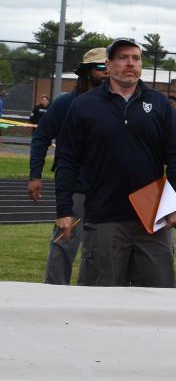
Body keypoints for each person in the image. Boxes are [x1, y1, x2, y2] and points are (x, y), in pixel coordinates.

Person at [54, 38, 176, 287]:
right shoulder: (84, 105)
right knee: (100, 301)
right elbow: (67, 160)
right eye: (123, 58)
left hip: (152, 220)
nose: (130, 63)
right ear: (108, 65)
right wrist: (64, 210)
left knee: (158, 299)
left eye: (136, 58)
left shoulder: (160, 105)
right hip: (104, 217)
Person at [27, 48, 108, 284]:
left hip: (108, 190)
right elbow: (41, 137)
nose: (106, 72)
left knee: (100, 250)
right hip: (76, 188)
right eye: (100, 67)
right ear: (86, 71)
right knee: (64, 243)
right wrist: (35, 176)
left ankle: (89, 299)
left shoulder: (115, 104)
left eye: (108, 67)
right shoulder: (66, 103)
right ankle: (54, 294)